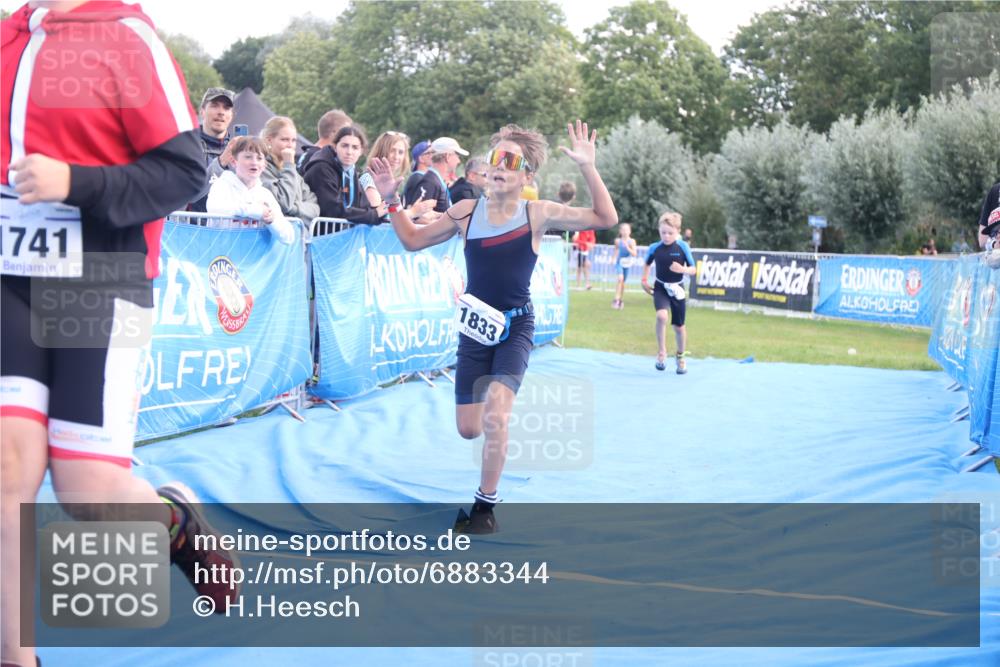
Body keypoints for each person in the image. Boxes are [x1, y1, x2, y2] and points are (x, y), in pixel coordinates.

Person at [1, 3, 241, 666]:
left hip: (99, 278)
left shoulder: (127, 41)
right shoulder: (8, 36)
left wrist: (73, 181)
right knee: (8, 470)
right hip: (10, 278)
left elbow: (186, 171)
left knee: (86, 495)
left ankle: (174, 519)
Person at [369, 120, 617, 533]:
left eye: (509, 160)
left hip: (515, 328)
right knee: (469, 429)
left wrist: (588, 167)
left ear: (526, 176)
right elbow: (412, 240)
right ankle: (488, 446)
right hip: (474, 332)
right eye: (493, 157)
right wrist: (392, 200)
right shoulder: (466, 212)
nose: (496, 166)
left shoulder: (536, 214)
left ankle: (485, 509)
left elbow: (604, 217)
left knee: (496, 417)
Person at [207, 137, 295, 243]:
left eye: (259, 158)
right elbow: (215, 209)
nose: (254, 163)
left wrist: (271, 221)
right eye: (248, 157)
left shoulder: (265, 194)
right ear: (233, 162)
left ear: (264, 165)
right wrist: (256, 211)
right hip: (222, 256)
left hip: (252, 258)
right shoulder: (221, 185)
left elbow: (288, 238)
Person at [642, 212, 696, 374]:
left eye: (670, 233)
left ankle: (680, 356)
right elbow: (646, 264)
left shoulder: (683, 247)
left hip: (677, 288)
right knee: (661, 316)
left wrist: (683, 269)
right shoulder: (654, 248)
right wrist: (644, 281)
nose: (666, 236)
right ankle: (661, 352)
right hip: (660, 287)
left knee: (679, 327)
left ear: (677, 231)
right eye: (663, 232)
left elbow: (693, 269)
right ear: (659, 230)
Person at [301, 125, 383, 224]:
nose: (349, 152)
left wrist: (384, 211)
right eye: (344, 146)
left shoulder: (352, 171)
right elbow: (332, 209)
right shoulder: (321, 169)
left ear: (361, 151)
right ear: (335, 147)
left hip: (341, 235)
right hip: (319, 235)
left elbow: (362, 206)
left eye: (355, 148)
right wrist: (373, 215)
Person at [360, 131, 437, 224]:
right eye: (392, 150)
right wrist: (413, 212)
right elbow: (379, 215)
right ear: (381, 151)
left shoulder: (395, 182)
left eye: (400, 152)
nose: (396, 157)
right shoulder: (369, 178)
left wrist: (418, 216)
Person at [259, 116, 320, 224]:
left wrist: (294, 208)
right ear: (269, 140)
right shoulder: (261, 168)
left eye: (293, 140)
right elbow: (285, 203)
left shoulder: (292, 171)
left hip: (297, 237)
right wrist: (288, 164)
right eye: (284, 140)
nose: (290, 145)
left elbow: (315, 208)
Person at [189, 86, 236, 211]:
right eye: (215, 105)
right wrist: (220, 164)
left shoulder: (240, 150)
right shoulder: (186, 145)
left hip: (228, 227)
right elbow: (188, 194)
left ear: (231, 115)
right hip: (191, 227)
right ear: (202, 111)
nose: (221, 112)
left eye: (226, 108)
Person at [411, 137, 469, 214]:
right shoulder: (430, 183)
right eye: (457, 155)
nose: (459, 161)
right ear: (447, 157)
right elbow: (419, 218)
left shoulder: (434, 180)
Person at [612, 223, 638, 309]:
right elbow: (616, 250)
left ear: (630, 231)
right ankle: (616, 299)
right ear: (620, 231)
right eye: (623, 230)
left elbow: (634, 254)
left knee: (623, 282)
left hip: (627, 264)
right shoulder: (617, 241)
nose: (625, 232)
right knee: (620, 278)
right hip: (619, 263)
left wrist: (628, 248)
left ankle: (620, 299)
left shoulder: (632, 241)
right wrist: (613, 258)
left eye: (627, 230)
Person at [403, 139, 433, 206]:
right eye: (429, 153)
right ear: (421, 159)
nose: (432, 155)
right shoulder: (418, 178)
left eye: (433, 152)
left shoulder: (422, 177)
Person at [978, 180, 1000, 251]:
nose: (998, 235)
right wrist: (994, 244)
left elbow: (983, 241)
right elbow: (982, 241)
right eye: (995, 232)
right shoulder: (995, 191)